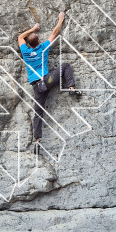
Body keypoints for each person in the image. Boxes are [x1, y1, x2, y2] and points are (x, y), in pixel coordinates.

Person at [18, 12, 80, 153]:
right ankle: (71, 87)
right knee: (65, 66)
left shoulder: (26, 52)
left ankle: (37, 141)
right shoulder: (43, 48)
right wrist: (60, 19)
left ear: (28, 44)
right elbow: (55, 33)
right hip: (48, 80)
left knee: (38, 113)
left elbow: (20, 37)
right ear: (38, 41)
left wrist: (33, 29)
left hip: (37, 88)